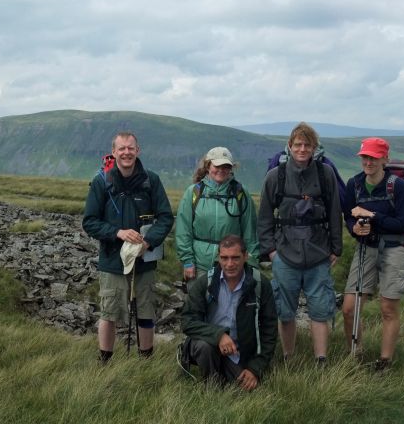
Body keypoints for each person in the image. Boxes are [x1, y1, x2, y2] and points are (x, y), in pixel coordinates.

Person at [83, 131, 173, 363]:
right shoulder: (101, 182)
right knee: (109, 312)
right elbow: (89, 221)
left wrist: (148, 242)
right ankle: (105, 362)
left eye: (130, 148)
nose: (126, 153)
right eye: (121, 148)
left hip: (144, 261)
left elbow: (165, 217)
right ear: (113, 152)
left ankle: (146, 362)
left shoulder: (151, 180)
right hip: (112, 260)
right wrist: (118, 233)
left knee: (145, 311)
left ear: (137, 150)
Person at [257, 122, 342, 364]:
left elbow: (335, 212)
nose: (302, 149)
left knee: (320, 309)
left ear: (314, 147)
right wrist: (271, 251)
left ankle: (321, 360)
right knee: (285, 311)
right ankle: (289, 357)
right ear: (290, 146)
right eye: (298, 144)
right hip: (285, 254)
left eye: (307, 145)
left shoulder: (325, 174)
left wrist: (336, 248)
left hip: (319, 253)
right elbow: (264, 217)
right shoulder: (276, 176)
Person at [341, 137, 404, 371]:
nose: (368, 162)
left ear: (385, 159)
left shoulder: (397, 186)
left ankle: (385, 362)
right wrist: (355, 228)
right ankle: (355, 356)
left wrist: (372, 216)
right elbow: (349, 216)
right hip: (366, 247)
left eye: (374, 157)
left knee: (388, 308)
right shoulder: (354, 184)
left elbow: (402, 224)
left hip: (394, 248)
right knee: (349, 308)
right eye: (365, 157)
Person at [179, 234, 277, 390]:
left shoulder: (260, 284)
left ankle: (229, 376)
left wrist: (255, 368)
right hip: (209, 344)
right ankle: (211, 387)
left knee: (246, 391)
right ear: (218, 257)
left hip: (240, 353)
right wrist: (219, 335)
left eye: (235, 258)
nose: (229, 264)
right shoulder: (205, 282)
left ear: (245, 256)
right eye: (224, 258)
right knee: (204, 347)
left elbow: (269, 330)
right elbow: (187, 321)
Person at [175, 147, 260, 290]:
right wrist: (188, 261)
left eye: (226, 166)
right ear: (208, 166)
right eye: (217, 166)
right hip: (200, 265)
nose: (221, 170)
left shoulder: (240, 193)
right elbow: (183, 230)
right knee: (198, 302)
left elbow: (250, 232)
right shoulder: (193, 192)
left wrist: (251, 263)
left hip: (232, 265)